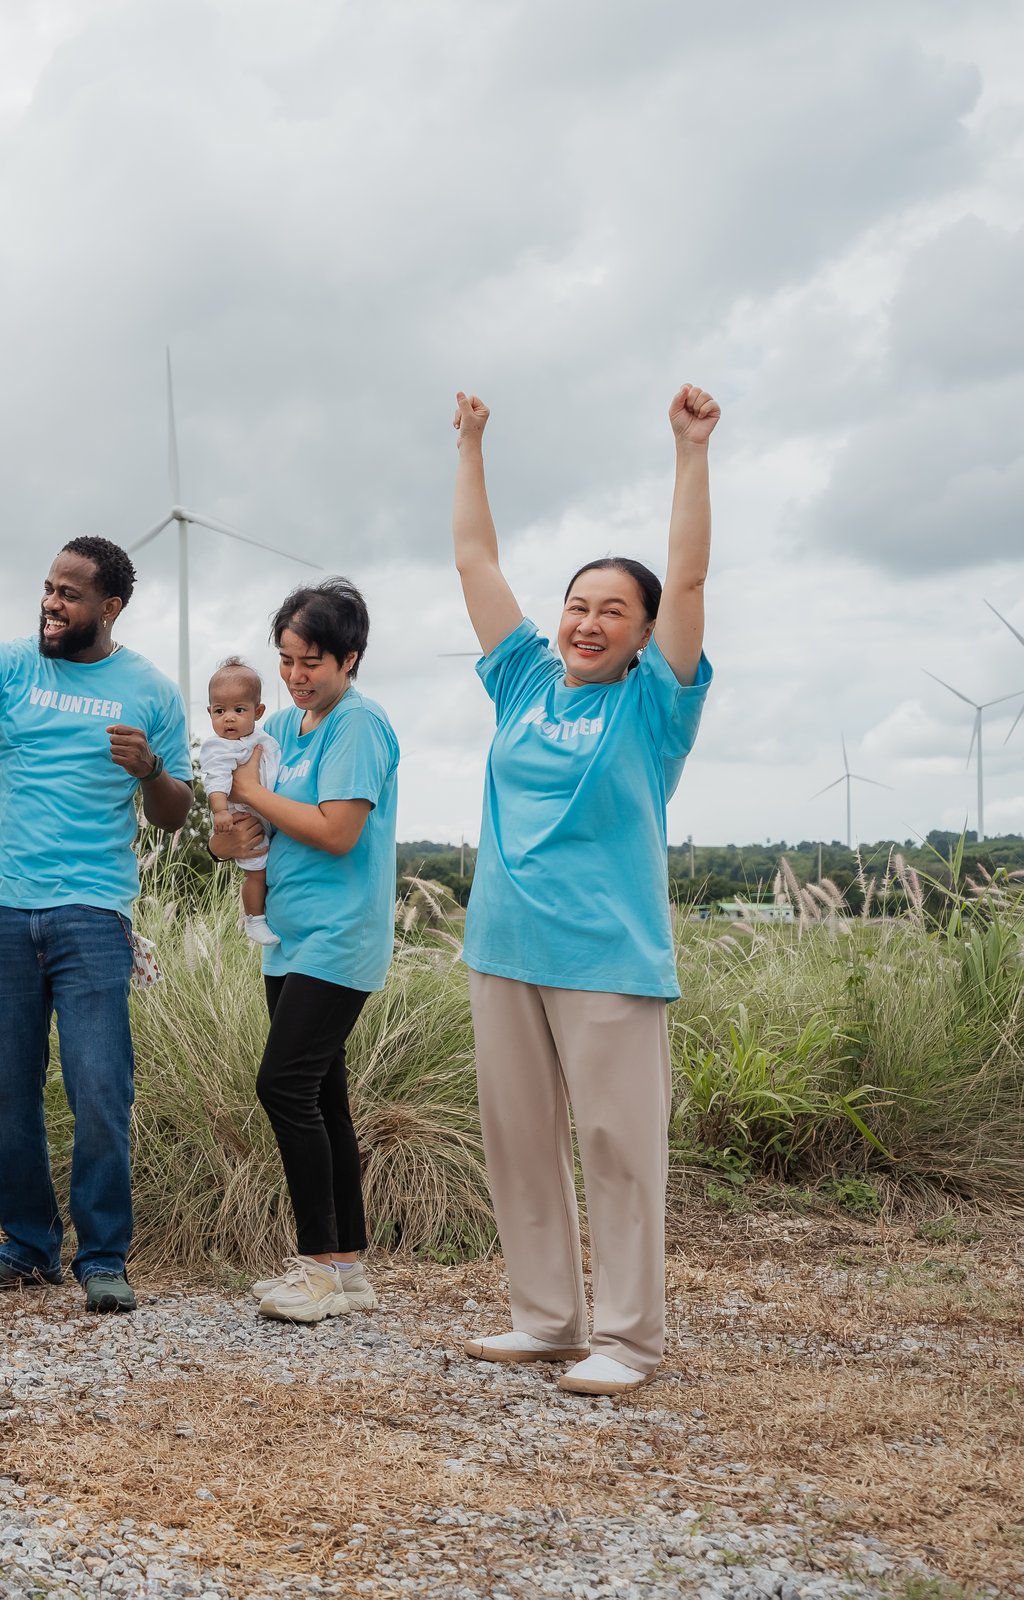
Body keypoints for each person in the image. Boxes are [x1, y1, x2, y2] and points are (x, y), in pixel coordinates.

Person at [448, 386, 719, 1398]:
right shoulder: (523, 681)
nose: (588, 621)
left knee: (616, 1146)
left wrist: (689, 452)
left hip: (608, 956)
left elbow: (688, 578)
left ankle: (629, 1338)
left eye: (613, 610)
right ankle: (547, 1318)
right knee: (519, 1145)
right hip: (505, 948)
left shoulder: (655, 706)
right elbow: (478, 562)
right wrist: (470, 445)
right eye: (578, 604)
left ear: (646, 634)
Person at [0, 536, 192, 1314]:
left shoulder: (152, 691)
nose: (51, 603)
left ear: (110, 607)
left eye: (69, 594)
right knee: (6, 1090)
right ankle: (28, 1245)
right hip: (2, 909)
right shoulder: (6, 664)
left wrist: (151, 772)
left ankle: (102, 1256)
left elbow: (175, 816)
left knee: (100, 1087)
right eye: (48, 588)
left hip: (93, 913)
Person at [216, 580, 400, 1325]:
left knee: (283, 1087)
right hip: (289, 938)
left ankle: (317, 1267)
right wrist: (229, 829)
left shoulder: (358, 725)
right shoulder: (284, 729)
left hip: (340, 935)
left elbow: (335, 830)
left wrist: (250, 795)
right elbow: (240, 822)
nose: (295, 676)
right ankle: (348, 1268)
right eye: (287, 659)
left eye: (312, 662)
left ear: (350, 657)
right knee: (322, 1095)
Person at [197, 656, 282, 947]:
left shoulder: (265, 737)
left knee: (269, 872)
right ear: (209, 712)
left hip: (270, 813)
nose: (228, 718)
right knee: (255, 874)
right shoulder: (218, 746)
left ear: (258, 711)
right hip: (244, 820)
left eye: (239, 709)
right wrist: (220, 811)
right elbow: (216, 779)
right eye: (219, 711)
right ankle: (254, 920)